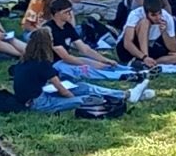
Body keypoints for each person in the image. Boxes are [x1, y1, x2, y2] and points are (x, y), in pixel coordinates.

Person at [13, 28, 151, 115]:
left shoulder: (24, 61)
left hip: (37, 95)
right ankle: (128, 95)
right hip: (38, 103)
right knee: (85, 98)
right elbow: (63, 90)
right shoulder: (43, 65)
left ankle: (127, 94)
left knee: (84, 87)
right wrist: (72, 97)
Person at [44, 0, 141, 81]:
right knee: (86, 69)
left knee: (101, 63)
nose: (70, 14)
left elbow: (85, 49)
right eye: (66, 12)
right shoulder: (49, 30)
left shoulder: (67, 26)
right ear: (56, 14)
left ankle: (131, 70)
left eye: (70, 11)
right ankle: (122, 76)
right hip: (54, 64)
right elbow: (66, 57)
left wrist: (104, 59)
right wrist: (92, 63)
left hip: (65, 60)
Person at [117, 0, 176, 66]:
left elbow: (173, 48)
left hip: (151, 44)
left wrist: (164, 32)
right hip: (129, 47)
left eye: (159, 13)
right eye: (153, 15)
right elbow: (127, 43)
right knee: (145, 23)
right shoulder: (135, 14)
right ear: (146, 13)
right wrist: (144, 57)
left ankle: (151, 63)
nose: (158, 18)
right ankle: (145, 59)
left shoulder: (167, 17)